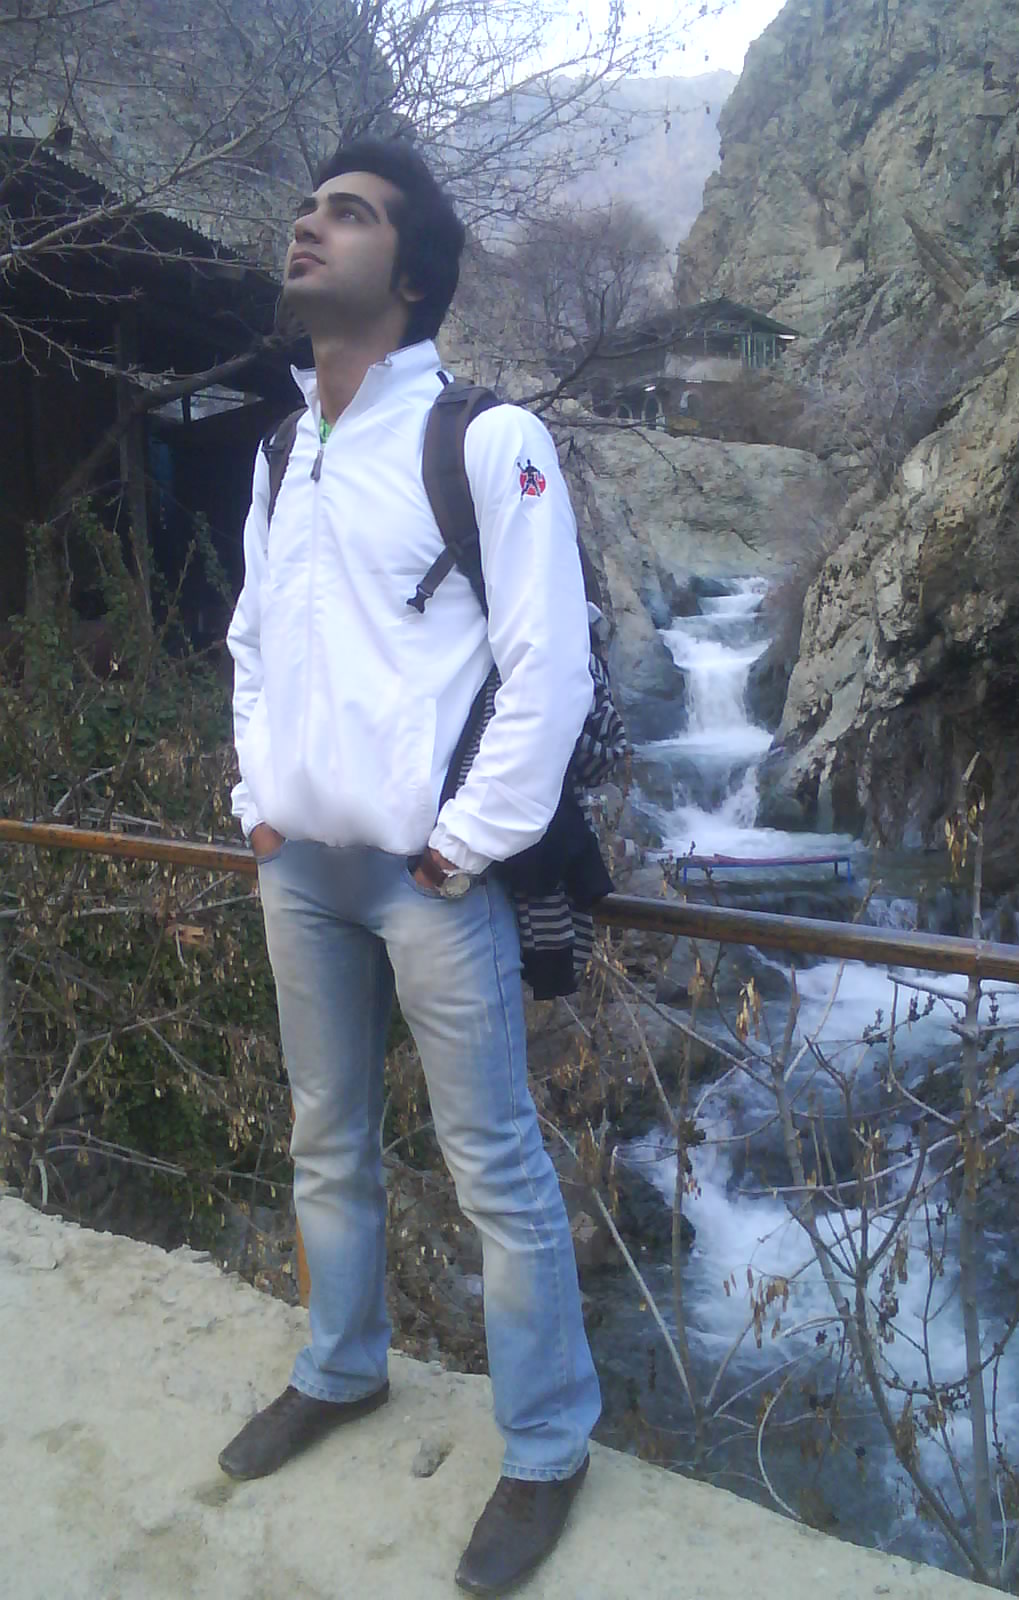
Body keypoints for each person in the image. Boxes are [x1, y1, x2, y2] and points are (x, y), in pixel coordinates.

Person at [222, 136, 601, 1596]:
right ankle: (342, 1366)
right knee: (325, 1139)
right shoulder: (281, 452)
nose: (309, 224)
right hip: (300, 870)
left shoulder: (486, 440)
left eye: (350, 213)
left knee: (494, 1164)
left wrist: (464, 841)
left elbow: (549, 666)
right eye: (308, 205)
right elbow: (252, 646)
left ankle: (547, 1446)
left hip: (429, 880)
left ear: (414, 276)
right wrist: (258, 798)